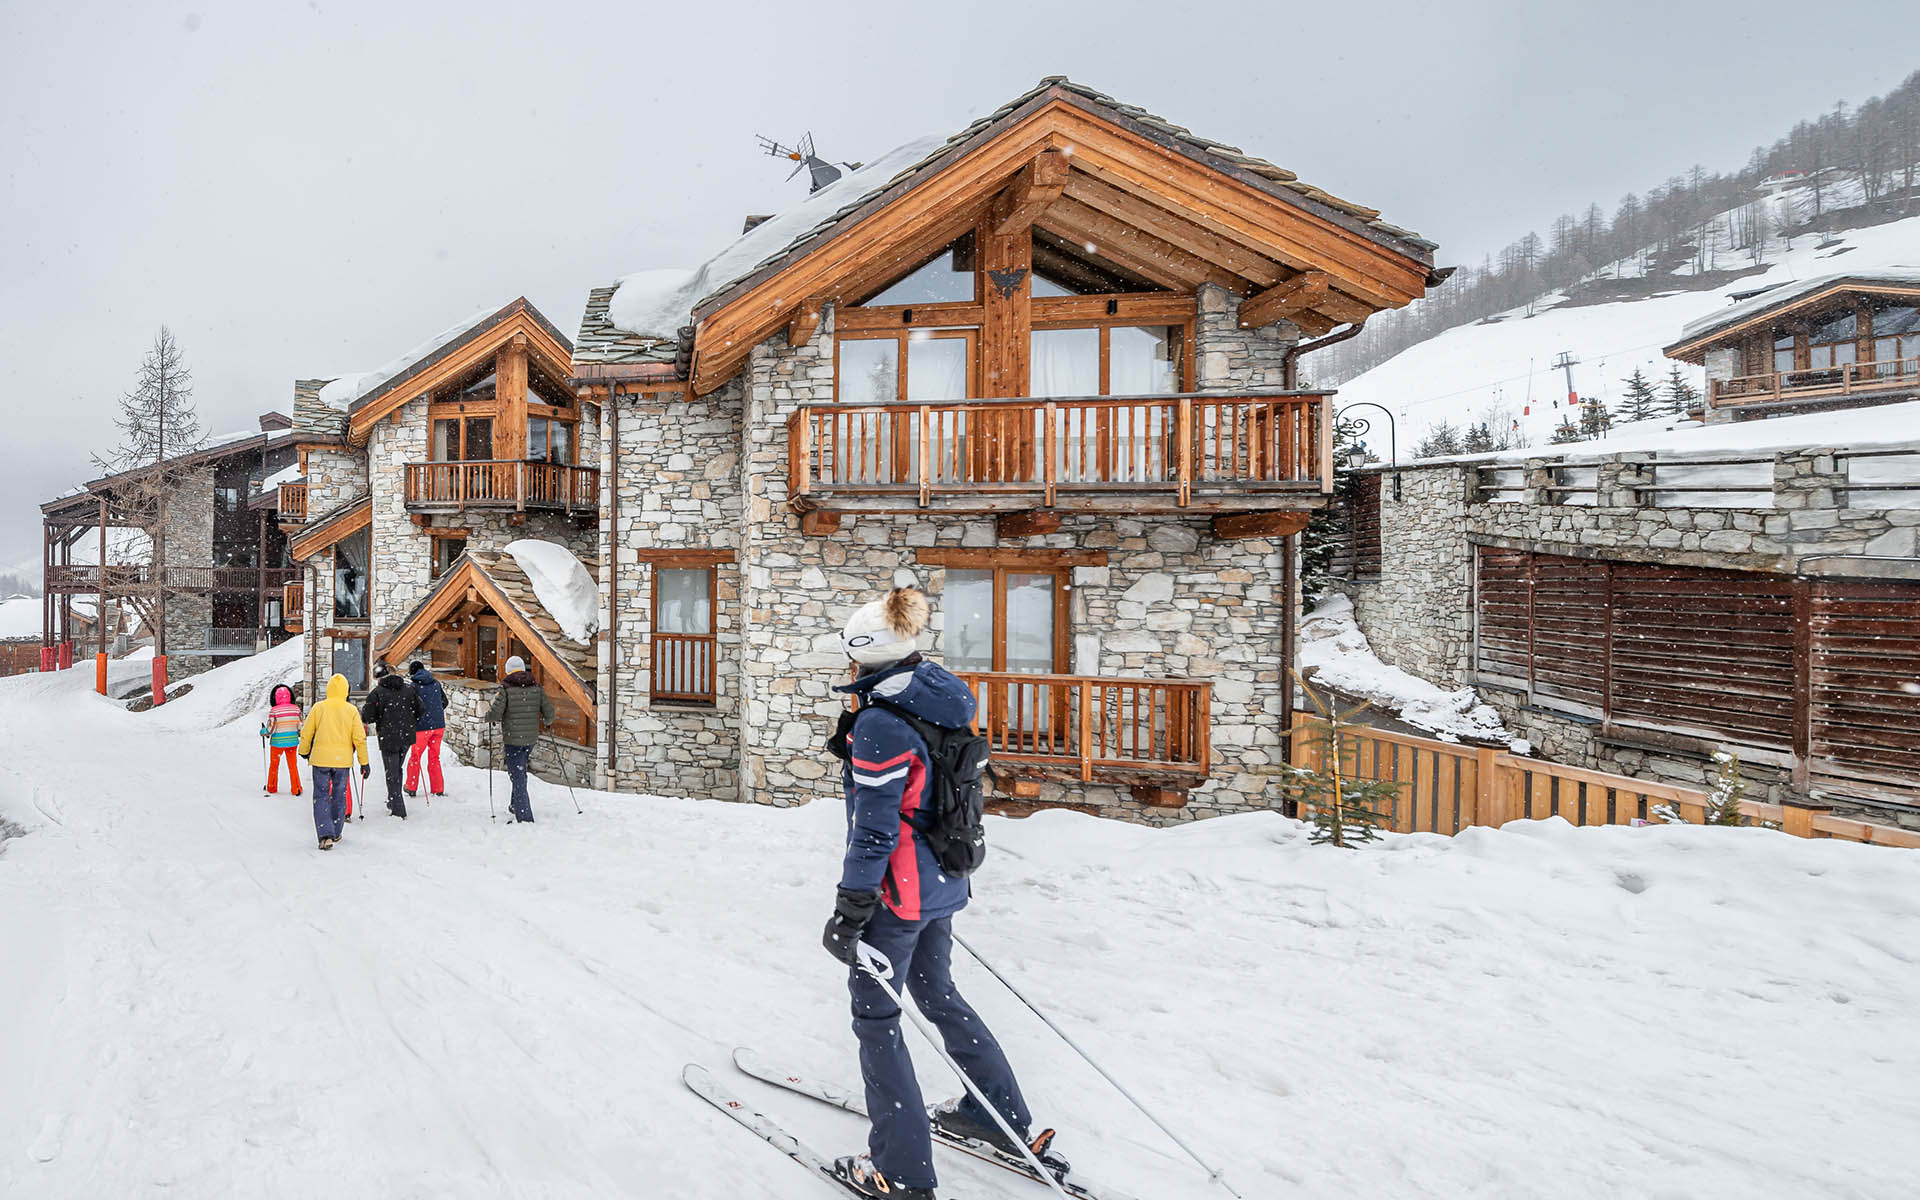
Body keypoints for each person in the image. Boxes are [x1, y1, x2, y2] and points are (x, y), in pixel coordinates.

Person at [821, 587, 1050, 1200]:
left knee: (877, 1017)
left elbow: (875, 828)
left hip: (899, 896)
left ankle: (900, 1170)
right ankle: (996, 1116)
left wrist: (851, 909)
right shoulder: (937, 695)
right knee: (938, 993)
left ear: (862, 658)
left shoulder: (880, 724)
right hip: (946, 878)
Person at [297, 672, 369, 850]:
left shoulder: (318, 707)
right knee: (339, 796)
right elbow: (359, 738)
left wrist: (304, 751)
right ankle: (336, 831)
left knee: (321, 796)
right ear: (345, 691)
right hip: (342, 762)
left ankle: (325, 834)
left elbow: (307, 732)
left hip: (321, 760)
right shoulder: (351, 710)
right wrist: (364, 762)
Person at [486, 655, 552, 823]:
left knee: (517, 775)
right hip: (530, 739)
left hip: (513, 739)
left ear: (508, 670)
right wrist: (547, 721)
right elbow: (549, 713)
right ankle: (516, 805)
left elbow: (496, 712)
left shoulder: (506, 688)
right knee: (519, 772)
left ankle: (525, 818)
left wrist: (489, 716)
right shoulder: (536, 686)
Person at [360, 661, 424, 819]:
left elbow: (367, 716)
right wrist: (409, 720)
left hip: (388, 737)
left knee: (392, 772)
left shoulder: (377, 692)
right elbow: (421, 709)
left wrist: (377, 714)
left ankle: (398, 808)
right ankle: (393, 800)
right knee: (396, 769)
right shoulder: (409, 689)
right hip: (406, 736)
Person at [405, 659, 448, 799]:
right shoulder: (436, 683)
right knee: (435, 757)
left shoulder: (414, 686)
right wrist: (435, 713)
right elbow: (445, 702)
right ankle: (438, 788)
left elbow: (411, 707)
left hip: (422, 728)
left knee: (415, 757)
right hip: (439, 726)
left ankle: (411, 787)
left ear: (413, 672)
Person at [259, 683, 304, 796]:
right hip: (292, 742)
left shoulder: (274, 711)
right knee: (293, 766)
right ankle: (296, 788)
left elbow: (271, 729)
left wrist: (263, 732)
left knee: (274, 765)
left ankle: (271, 787)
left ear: (275, 697)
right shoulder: (296, 709)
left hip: (277, 743)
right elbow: (300, 726)